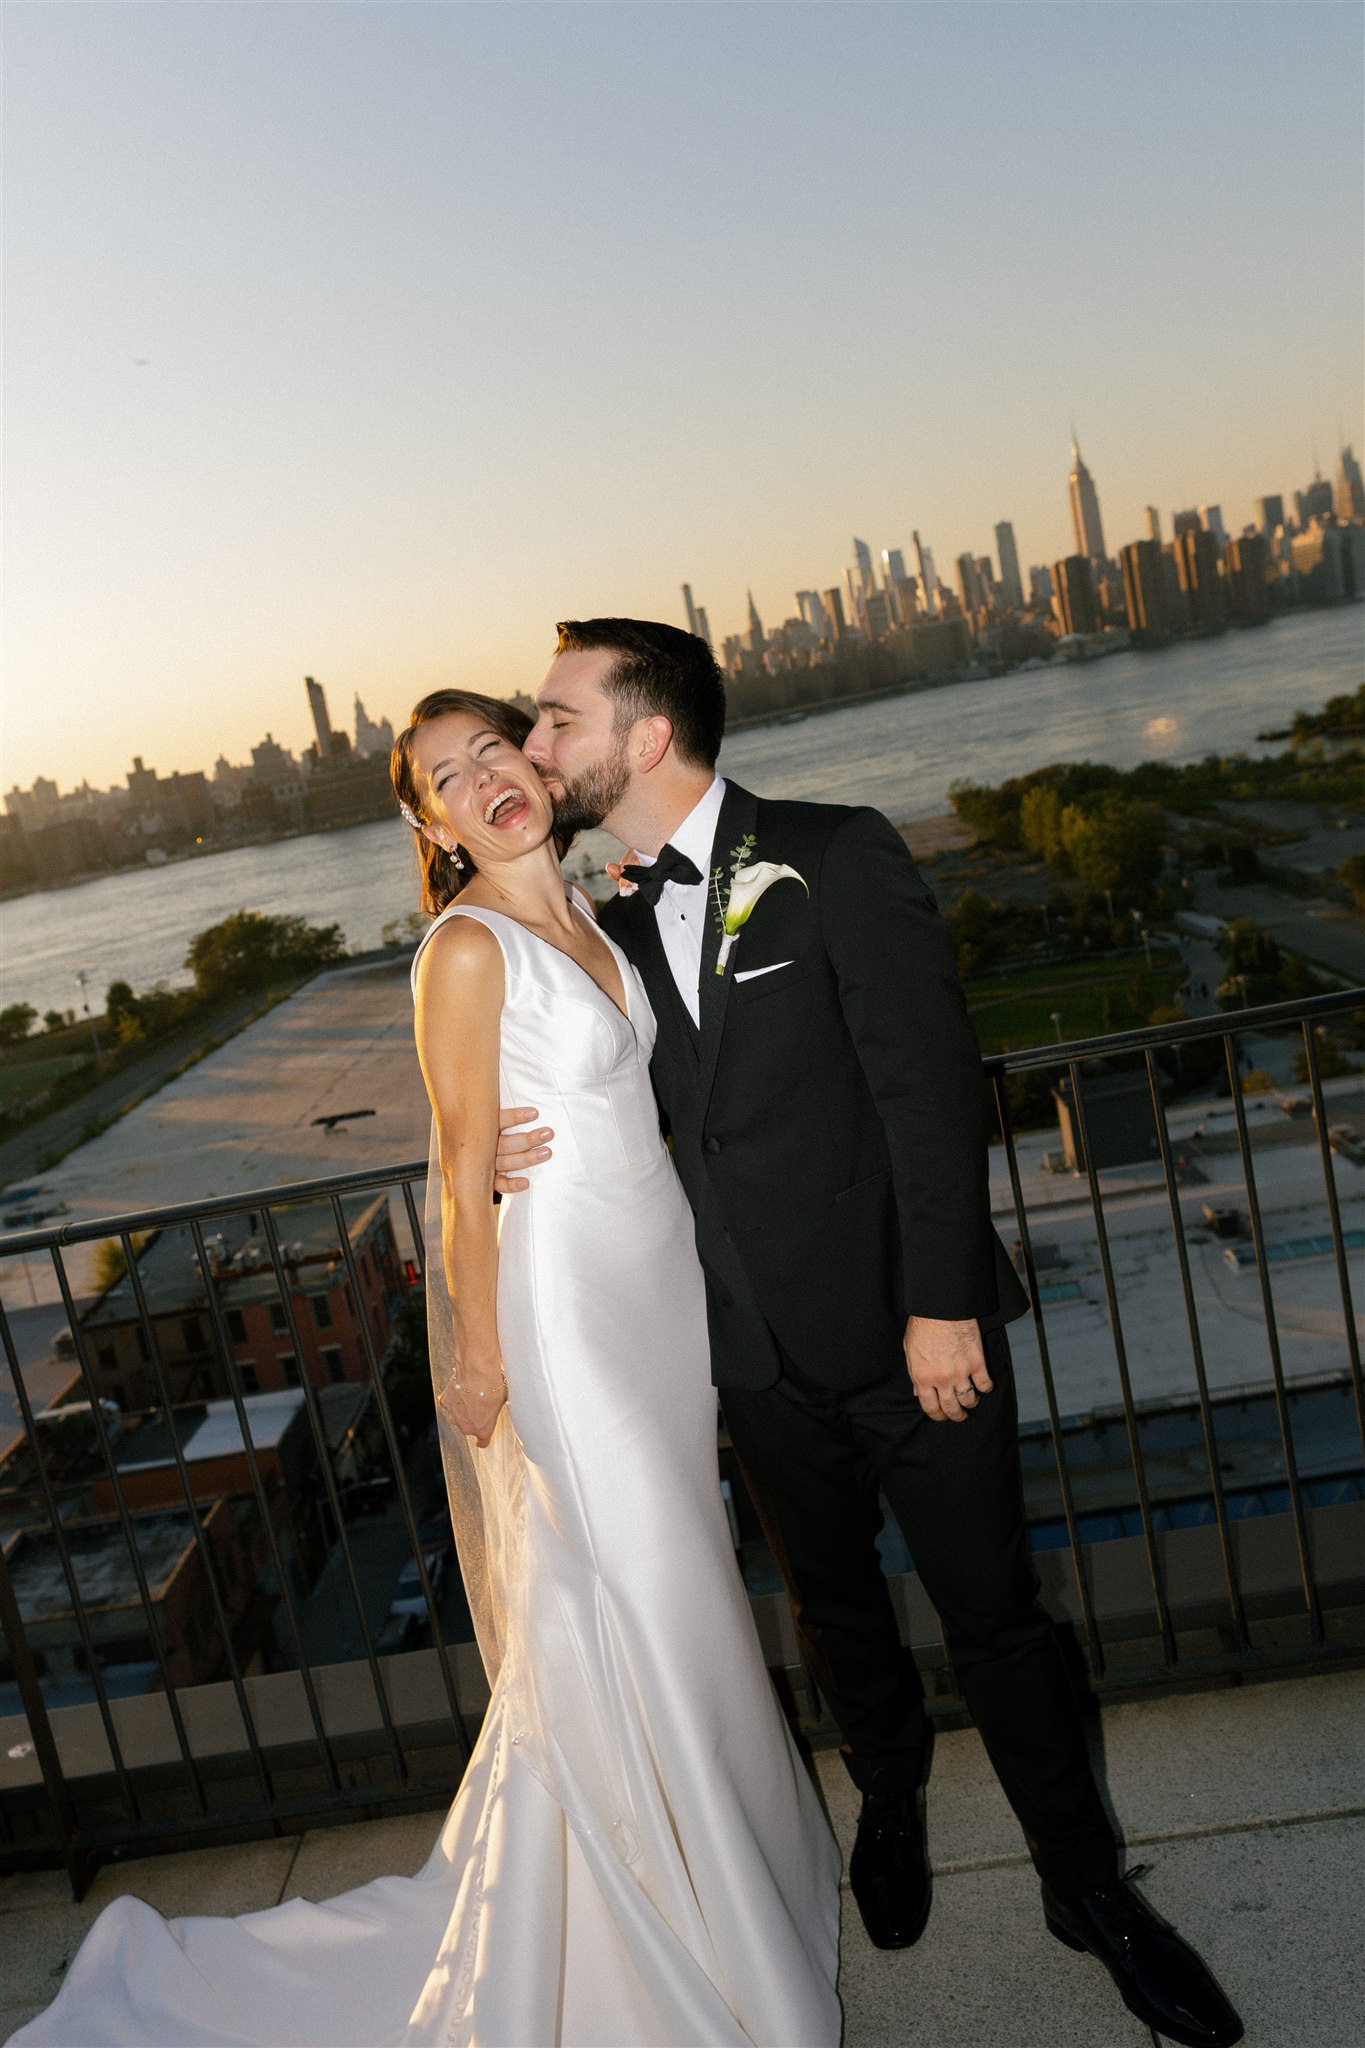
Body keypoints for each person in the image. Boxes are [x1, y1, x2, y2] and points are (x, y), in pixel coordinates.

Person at [11, 688, 841, 2048]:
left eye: (494, 751)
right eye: (448, 778)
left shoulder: (589, 911)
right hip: (562, 1311)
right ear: (431, 823)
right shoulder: (460, 952)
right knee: (614, 1591)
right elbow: (460, 1175)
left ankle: (723, 1874)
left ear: (534, 760)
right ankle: (662, 1935)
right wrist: (475, 1359)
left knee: (680, 1579)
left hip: (656, 1292)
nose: (483, 782)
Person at [495, 617, 1245, 2048]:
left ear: (646, 736)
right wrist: (504, 1151)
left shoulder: (835, 855)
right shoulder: (595, 916)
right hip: (749, 1362)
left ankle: (1086, 1890)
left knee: (998, 1623)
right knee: (833, 1612)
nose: (538, 745)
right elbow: (622, 1110)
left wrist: (942, 1302)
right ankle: (888, 1795)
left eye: (555, 719)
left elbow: (928, 1087)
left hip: (916, 1343)